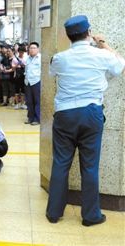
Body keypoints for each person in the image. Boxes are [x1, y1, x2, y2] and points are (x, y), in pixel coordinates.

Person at [46, 15, 125, 226]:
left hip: (64, 115)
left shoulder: (59, 58)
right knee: (90, 167)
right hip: (91, 113)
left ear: (69, 37)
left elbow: (51, 72)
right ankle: (90, 216)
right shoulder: (100, 55)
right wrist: (103, 44)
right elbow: (120, 66)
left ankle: (54, 212)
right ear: (88, 33)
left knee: (61, 163)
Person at [24, 42, 41, 125]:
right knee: (29, 101)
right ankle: (30, 118)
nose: (32, 50)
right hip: (28, 82)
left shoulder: (40, 58)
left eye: (34, 48)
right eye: (30, 48)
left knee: (37, 101)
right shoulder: (27, 58)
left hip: (36, 81)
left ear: (38, 49)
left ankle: (37, 119)